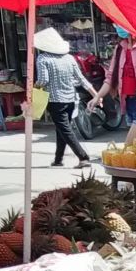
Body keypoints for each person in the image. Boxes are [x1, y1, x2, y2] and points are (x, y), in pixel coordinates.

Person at [33, 27, 101, 167]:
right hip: (71, 98)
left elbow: (43, 80)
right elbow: (82, 79)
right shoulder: (69, 58)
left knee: (65, 129)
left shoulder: (43, 58)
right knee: (62, 129)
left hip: (55, 100)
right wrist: (96, 95)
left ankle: (83, 157)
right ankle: (58, 159)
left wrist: (34, 87)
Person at [92, 24, 136, 147]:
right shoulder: (120, 49)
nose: (117, 27)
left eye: (119, 24)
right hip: (129, 104)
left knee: (130, 148)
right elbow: (110, 77)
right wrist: (97, 96)